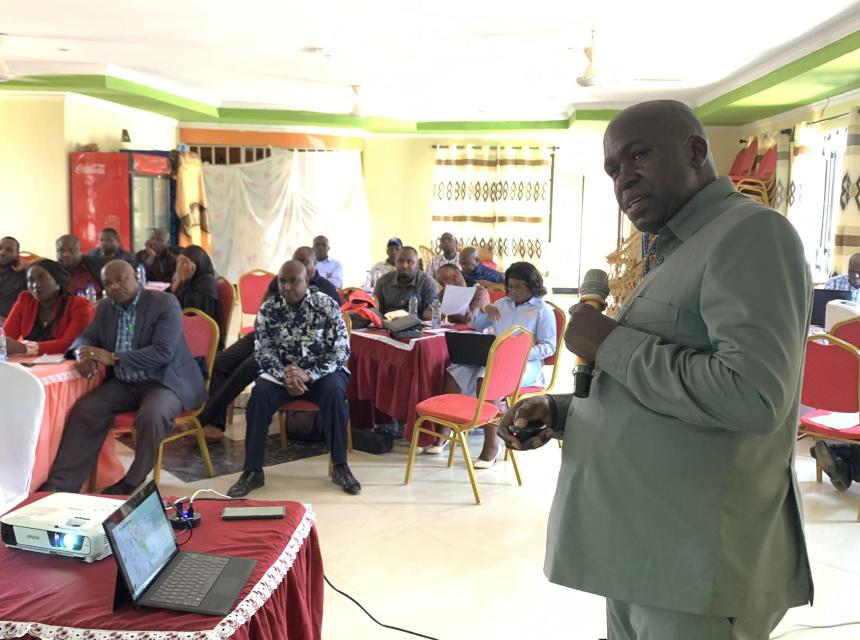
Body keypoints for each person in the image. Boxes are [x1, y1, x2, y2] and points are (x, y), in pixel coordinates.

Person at [497, 100, 812, 639]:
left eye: (638, 155)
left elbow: (753, 396)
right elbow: (659, 389)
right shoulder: (673, 250)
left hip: (696, 566)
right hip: (642, 554)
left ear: (695, 150)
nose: (623, 179)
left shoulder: (752, 234)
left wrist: (612, 343)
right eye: (613, 170)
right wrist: (562, 408)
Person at [38, 260, 206, 496]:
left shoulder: (164, 302)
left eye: (121, 279)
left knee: (152, 414)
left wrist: (113, 358)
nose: (115, 286)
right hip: (125, 383)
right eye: (108, 283)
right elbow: (85, 338)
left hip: (164, 381)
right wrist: (81, 353)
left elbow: (163, 352)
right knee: (86, 409)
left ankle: (132, 480)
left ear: (136, 278)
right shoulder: (106, 308)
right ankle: (61, 484)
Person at [227, 260, 360, 497]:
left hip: (322, 374)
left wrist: (309, 374)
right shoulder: (269, 309)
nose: (286, 286)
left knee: (334, 393)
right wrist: (286, 375)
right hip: (283, 376)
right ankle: (252, 471)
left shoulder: (326, 305)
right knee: (259, 396)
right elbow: (263, 351)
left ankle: (340, 466)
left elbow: (341, 351)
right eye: (282, 281)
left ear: (306, 281)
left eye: (293, 281)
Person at [197, 247, 340, 442]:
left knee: (248, 366)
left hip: (291, 348)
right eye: (297, 260)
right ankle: (215, 422)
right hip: (264, 333)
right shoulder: (283, 280)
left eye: (306, 262)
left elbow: (328, 334)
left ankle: (202, 418)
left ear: (315, 265)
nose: (301, 266)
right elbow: (264, 304)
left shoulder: (326, 289)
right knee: (222, 361)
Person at [434, 262, 555, 464]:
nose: (513, 291)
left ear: (532, 286)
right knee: (457, 369)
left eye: (519, 287)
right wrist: (483, 310)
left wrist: (518, 353)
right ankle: (445, 431)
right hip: (495, 357)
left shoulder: (542, 310)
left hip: (527, 363)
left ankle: (493, 443)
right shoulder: (502, 304)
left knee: (488, 376)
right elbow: (478, 325)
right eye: (510, 286)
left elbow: (549, 347)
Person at [3, 259, 92, 356]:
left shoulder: (78, 305)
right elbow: (5, 336)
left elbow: (69, 344)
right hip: (28, 366)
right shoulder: (26, 300)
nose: (36, 285)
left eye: (42, 278)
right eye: (31, 280)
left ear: (58, 281)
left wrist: (25, 348)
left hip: (65, 366)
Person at [168, 245, 221, 344]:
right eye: (179, 261)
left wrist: (184, 280)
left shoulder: (206, 283)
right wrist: (179, 279)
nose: (180, 266)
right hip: (183, 328)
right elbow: (171, 296)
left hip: (200, 338)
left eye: (184, 262)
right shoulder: (189, 279)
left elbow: (190, 310)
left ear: (198, 263)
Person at [373, 246, 437, 320]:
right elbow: (376, 310)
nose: (404, 266)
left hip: (417, 327)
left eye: (410, 262)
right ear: (395, 263)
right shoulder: (383, 281)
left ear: (417, 265)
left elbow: (430, 315)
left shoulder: (427, 282)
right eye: (400, 261)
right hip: (386, 326)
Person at [0, 236, 27, 321]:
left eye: (9, 250)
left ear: (17, 254)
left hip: (8, 326)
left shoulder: (23, 275)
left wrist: (28, 266)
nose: (2, 252)